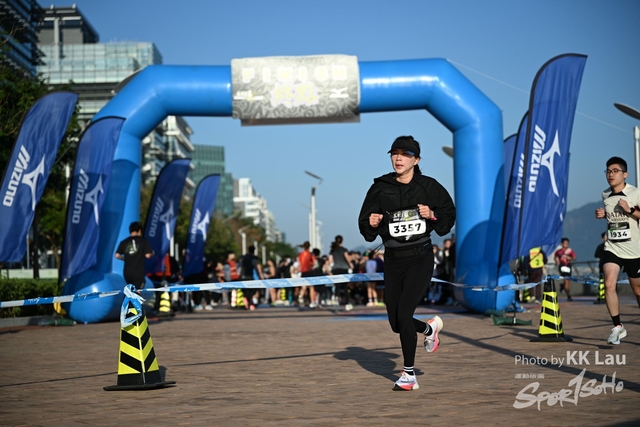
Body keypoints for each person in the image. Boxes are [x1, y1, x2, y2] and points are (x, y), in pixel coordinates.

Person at [358, 135, 456, 391]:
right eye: (395, 153)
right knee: (396, 323)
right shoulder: (380, 188)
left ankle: (409, 375)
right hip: (392, 260)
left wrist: (432, 215)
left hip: (420, 257)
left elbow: (448, 216)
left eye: (405, 154)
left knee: (403, 315)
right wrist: (372, 223)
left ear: (416, 160)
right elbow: (365, 225)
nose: (399, 158)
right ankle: (429, 329)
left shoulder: (429, 187)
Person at [595, 156, 640, 345]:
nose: (610, 175)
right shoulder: (605, 194)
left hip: (634, 250)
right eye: (608, 171)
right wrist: (603, 215)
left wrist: (630, 209)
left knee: (637, 291)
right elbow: (613, 218)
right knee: (609, 284)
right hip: (612, 247)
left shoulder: (635, 193)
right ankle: (618, 326)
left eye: (615, 171)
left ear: (625, 174)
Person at [115, 221, 154, 290]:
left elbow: (117, 255)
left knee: (130, 290)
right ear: (139, 231)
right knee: (138, 290)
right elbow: (147, 255)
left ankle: (128, 297)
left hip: (127, 272)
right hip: (138, 272)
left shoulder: (124, 242)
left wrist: (124, 258)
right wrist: (152, 253)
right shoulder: (143, 241)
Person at [329, 235, 353, 309]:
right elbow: (347, 257)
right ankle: (346, 303)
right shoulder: (344, 249)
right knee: (345, 287)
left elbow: (330, 260)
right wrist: (350, 264)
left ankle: (336, 301)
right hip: (344, 269)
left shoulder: (332, 250)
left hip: (336, 269)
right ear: (342, 241)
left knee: (337, 286)